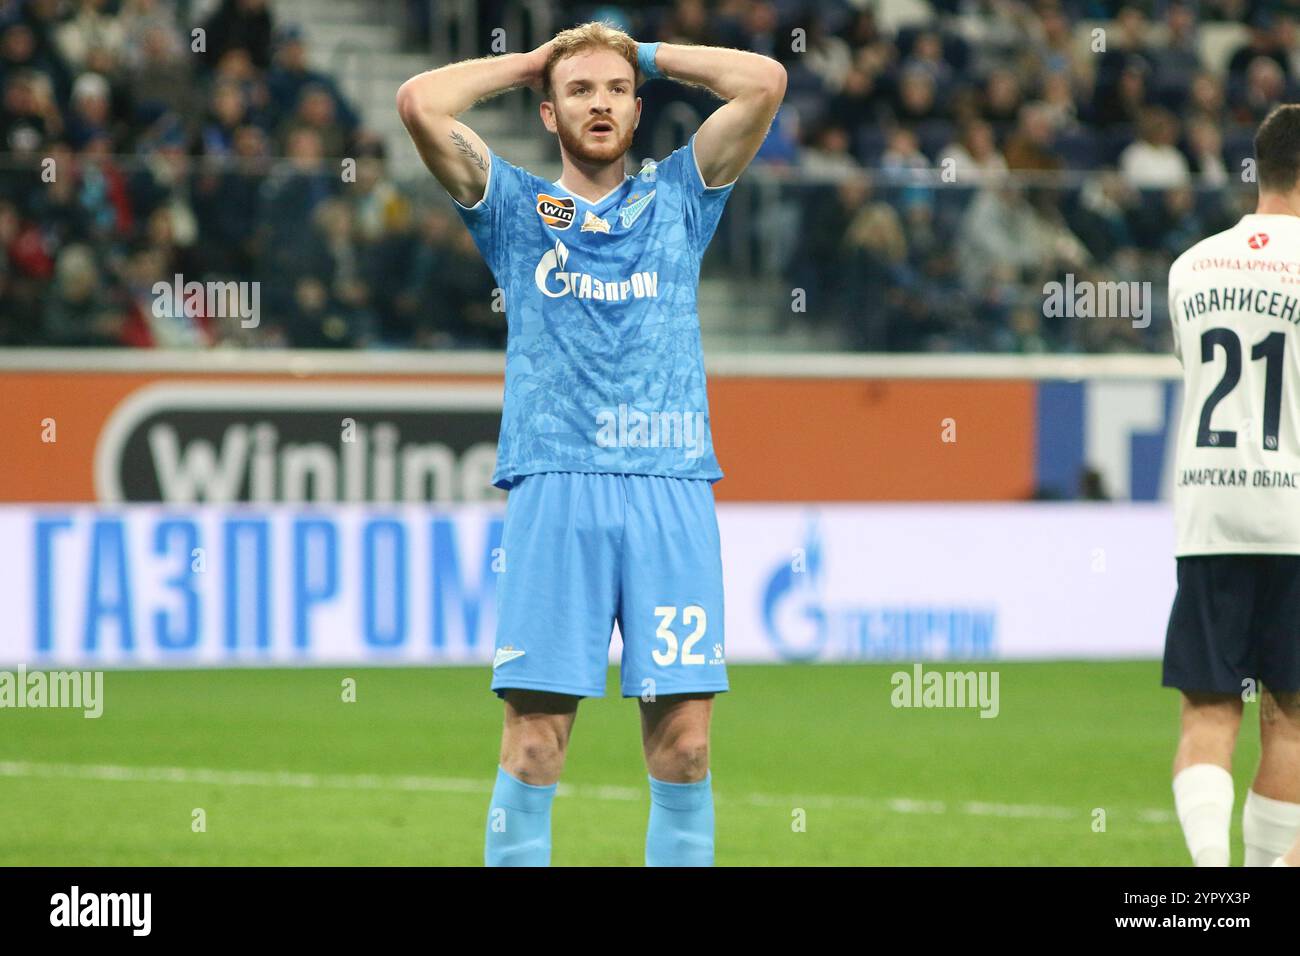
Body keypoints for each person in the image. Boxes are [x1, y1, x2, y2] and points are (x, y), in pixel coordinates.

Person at [397, 20, 785, 866]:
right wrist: (533, 62)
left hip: (671, 486)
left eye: (615, 91)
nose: (599, 103)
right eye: (579, 91)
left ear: (639, 109)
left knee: (685, 747)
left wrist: (644, 53)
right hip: (556, 486)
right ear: (549, 114)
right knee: (536, 744)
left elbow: (763, 82)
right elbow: (420, 102)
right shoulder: (515, 211)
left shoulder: (679, 197)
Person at [1164, 103, 1300, 867]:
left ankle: (1213, 893)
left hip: (1212, 512)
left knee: (1209, 712)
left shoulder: (1192, 265)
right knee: (1289, 720)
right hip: (1295, 513)